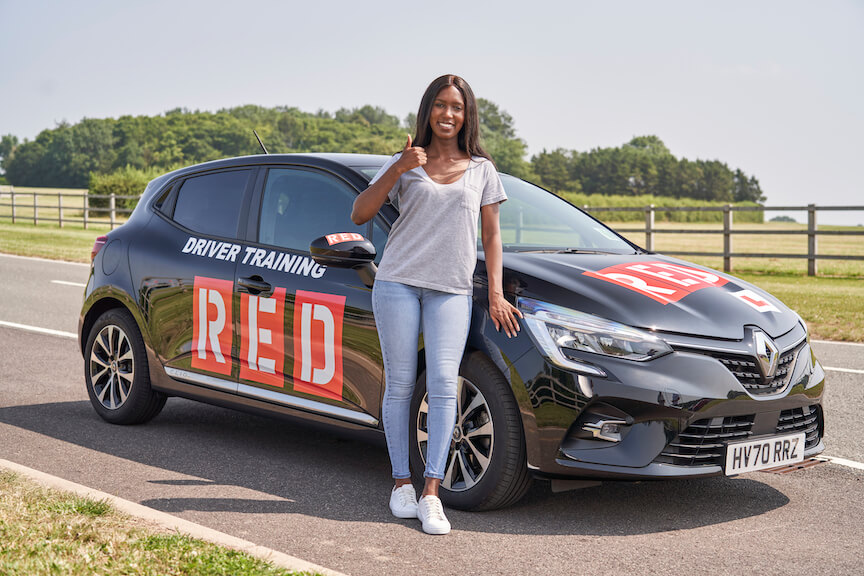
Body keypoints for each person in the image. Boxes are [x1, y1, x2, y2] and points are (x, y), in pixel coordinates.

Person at [351, 74, 522, 535]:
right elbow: (360, 213)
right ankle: (401, 485)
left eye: (457, 107)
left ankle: (431, 493)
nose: (448, 114)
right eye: (441, 105)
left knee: (446, 384)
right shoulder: (406, 162)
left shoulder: (482, 169)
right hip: (398, 283)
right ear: (428, 110)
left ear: (467, 115)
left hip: (451, 289)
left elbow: (492, 236)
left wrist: (496, 293)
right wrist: (398, 168)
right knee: (401, 383)